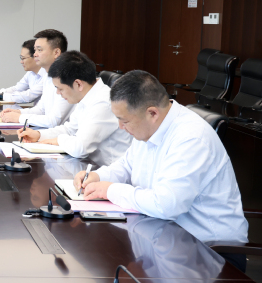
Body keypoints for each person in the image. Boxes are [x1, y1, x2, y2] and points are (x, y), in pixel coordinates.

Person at [75, 70, 248, 256]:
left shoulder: (191, 138)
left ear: (152, 113)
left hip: (209, 251)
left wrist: (110, 190)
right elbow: (127, 165)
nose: (120, 127)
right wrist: (98, 176)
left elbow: (166, 205)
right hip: (165, 237)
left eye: (124, 120)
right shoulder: (147, 127)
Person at [17, 51, 131, 166]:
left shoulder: (103, 102)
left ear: (78, 84)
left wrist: (57, 140)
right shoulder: (86, 96)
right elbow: (70, 129)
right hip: (89, 165)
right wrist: (39, 135)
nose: (58, 93)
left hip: (107, 170)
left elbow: (80, 147)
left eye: (60, 89)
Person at [1, 29, 73, 127]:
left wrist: (19, 117)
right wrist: (18, 112)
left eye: (39, 50)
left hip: (61, 134)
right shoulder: (48, 76)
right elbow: (41, 109)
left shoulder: (67, 78)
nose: (35, 54)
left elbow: (54, 121)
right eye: (35, 50)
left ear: (56, 52)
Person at [0, 39, 44, 104]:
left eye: (23, 58)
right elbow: (17, 89)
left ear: (35, 57)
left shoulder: (47, 75)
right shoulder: (30, 73)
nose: (21, 62)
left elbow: (28, 96)